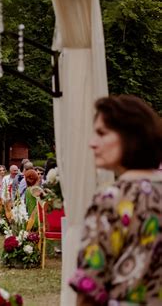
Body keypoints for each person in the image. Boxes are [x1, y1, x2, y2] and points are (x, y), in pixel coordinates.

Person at [69, 95, 162, 305]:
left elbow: (90, 286)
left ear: (132, 137)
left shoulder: (112, 198)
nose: (92, 143)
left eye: (102, 133)